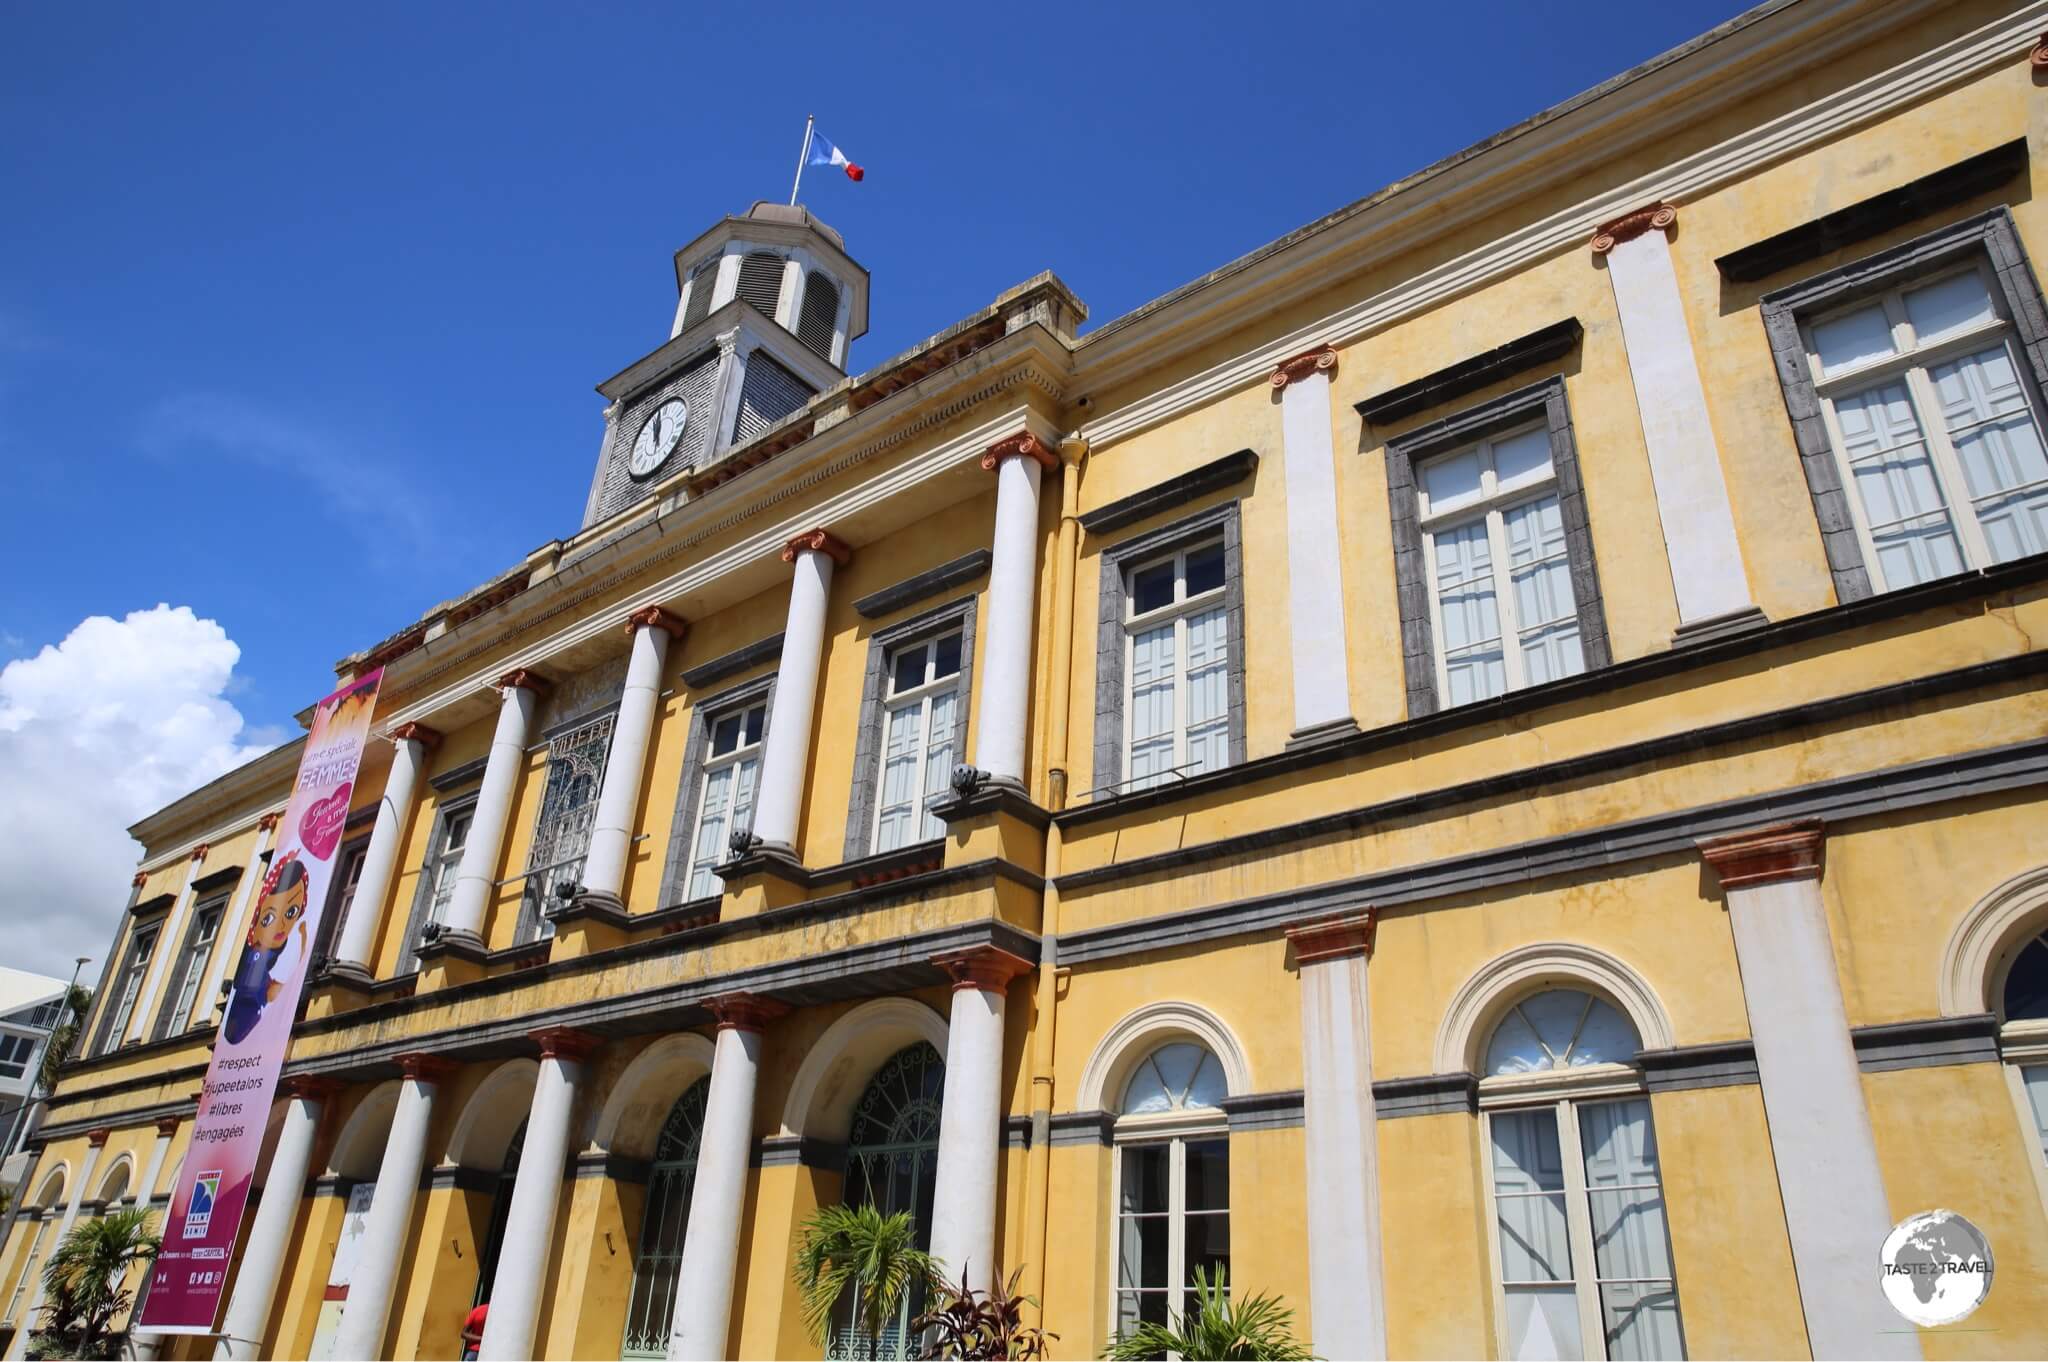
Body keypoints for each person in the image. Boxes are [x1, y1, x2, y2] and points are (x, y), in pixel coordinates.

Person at [220, 854, 310, 1045]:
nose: (282, 924)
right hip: (248, 1030)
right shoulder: (255, 963)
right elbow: (271, 993)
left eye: (291, 912)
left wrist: (303, 938)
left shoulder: (267, 964)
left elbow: (275, 991)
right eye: (269, 918)